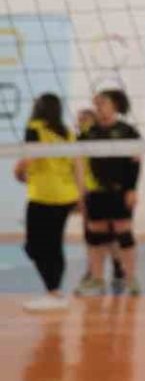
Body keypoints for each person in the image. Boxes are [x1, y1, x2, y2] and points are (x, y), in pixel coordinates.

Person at [17, 93, 81, 313]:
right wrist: (81, 197)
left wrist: (18, 170)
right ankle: (55, 292)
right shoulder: (68, 133)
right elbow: (77, 166)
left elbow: (30, 157)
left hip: (43, 195)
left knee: (34, 246)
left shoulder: (34, 128)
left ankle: (53, 293)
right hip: (66, 195)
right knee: (53, 244)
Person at [77, 88, 142, 296]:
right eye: (96, 104)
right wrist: (81, 192)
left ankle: (131, 279)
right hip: (96, 192)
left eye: (102, 102)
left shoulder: (127, 131)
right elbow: (79, 161)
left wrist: (132, 189)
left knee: (124, 233)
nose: (98, 107)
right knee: (96, 234)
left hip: (120, 190)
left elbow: (135, 161)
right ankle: (97, 279)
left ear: (115, 105)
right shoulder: (88, 132)